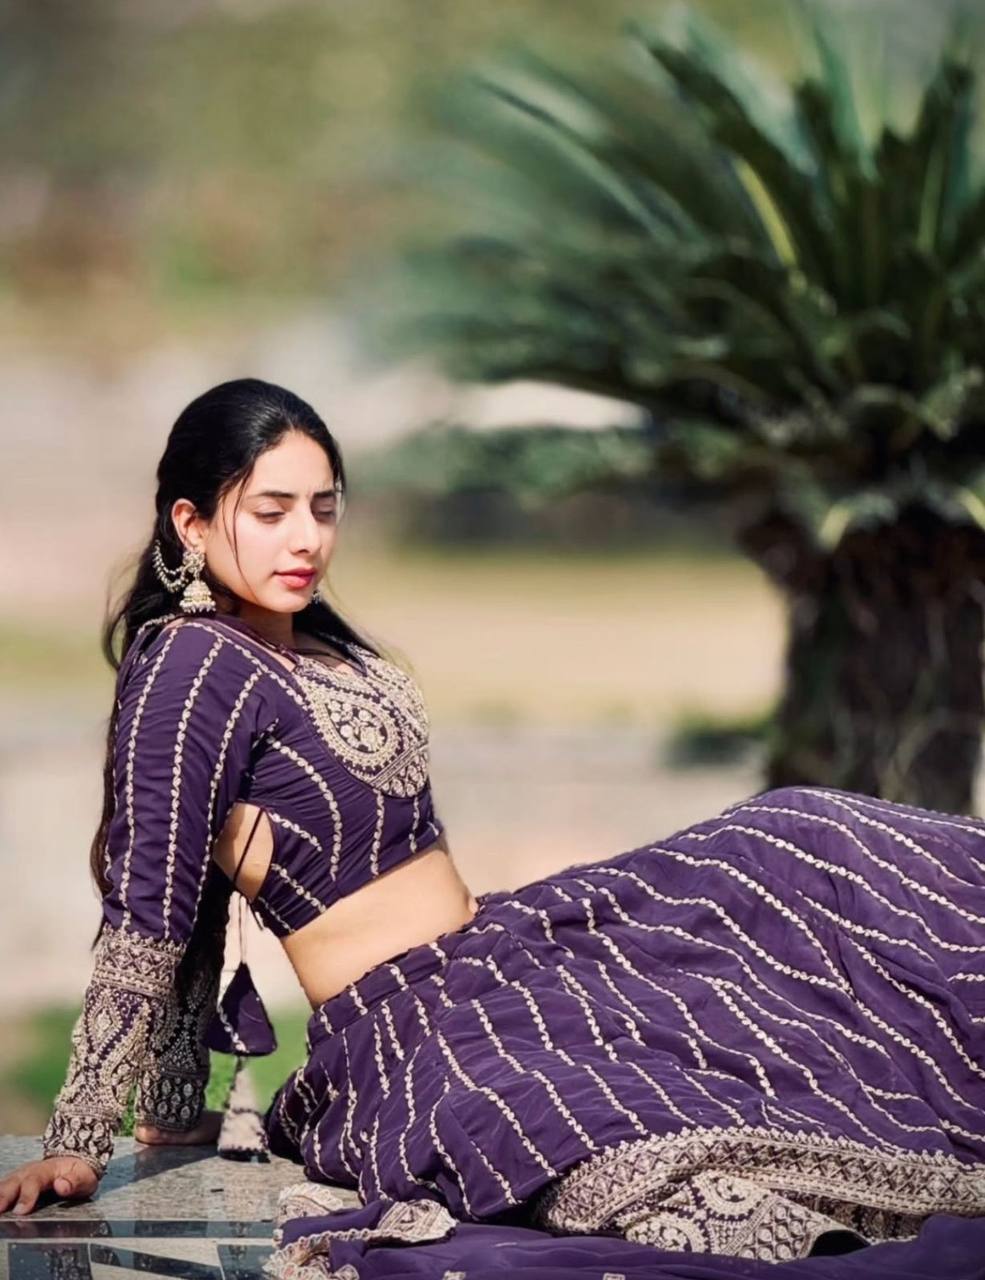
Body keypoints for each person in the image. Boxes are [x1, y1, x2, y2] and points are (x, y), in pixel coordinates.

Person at [3, 378, 985, 1277]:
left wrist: (175, 1117)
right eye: (270, 511)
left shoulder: (311, 644)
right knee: (664, 1124)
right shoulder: (189, 664)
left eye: (324, 507)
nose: (305, 537)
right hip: (418, 1030)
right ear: (191, 520)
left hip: (509, 952)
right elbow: (156, 906)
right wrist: (87, 1136)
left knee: (795, 841)